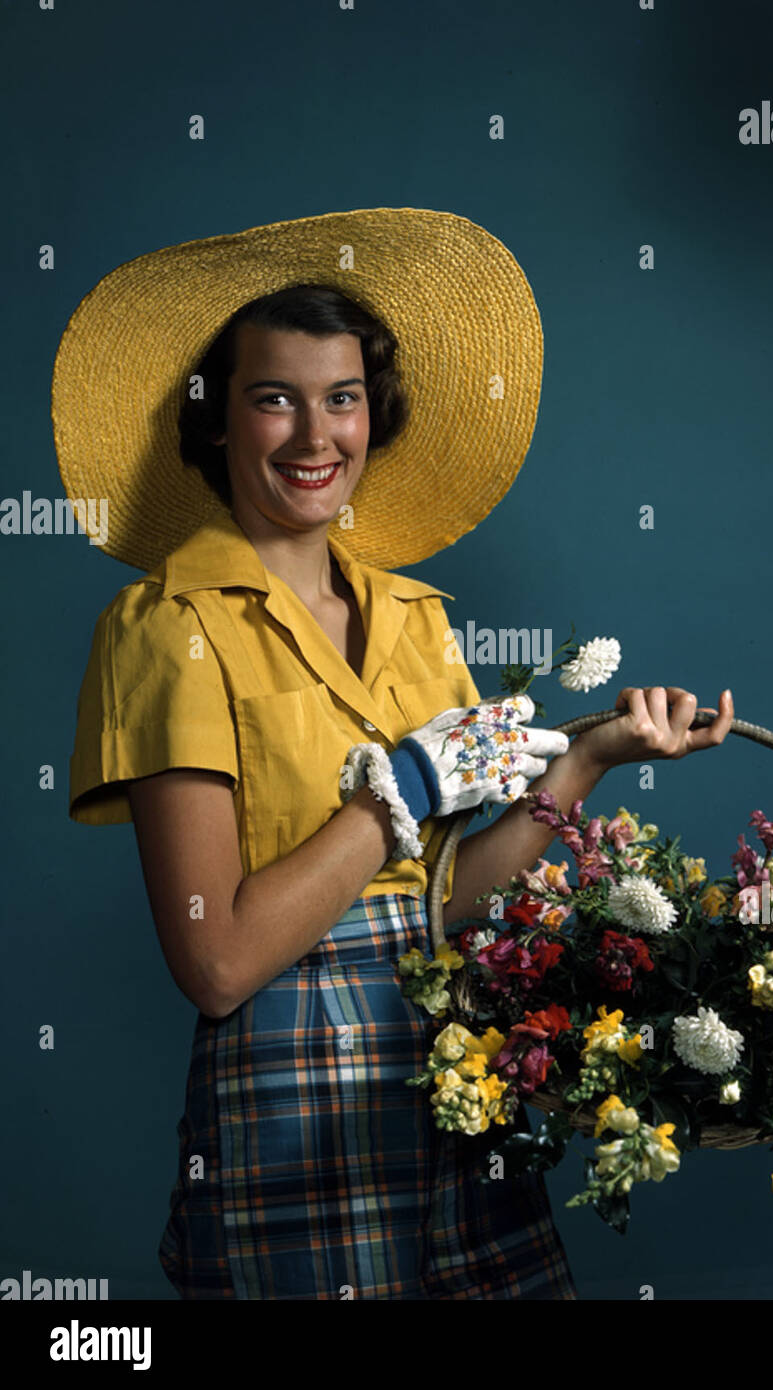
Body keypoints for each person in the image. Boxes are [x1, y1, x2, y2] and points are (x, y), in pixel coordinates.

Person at [59, 208, 734, 1300]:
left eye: (342, 398)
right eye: (272, 397)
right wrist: (402, 790)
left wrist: (590, 758)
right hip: (292, 1113)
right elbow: (218, 963)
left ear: (375, 417)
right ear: (217, 423)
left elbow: (447, 902)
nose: (313, 436)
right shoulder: (164, 626)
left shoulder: (417, 621)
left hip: (453, 1080)